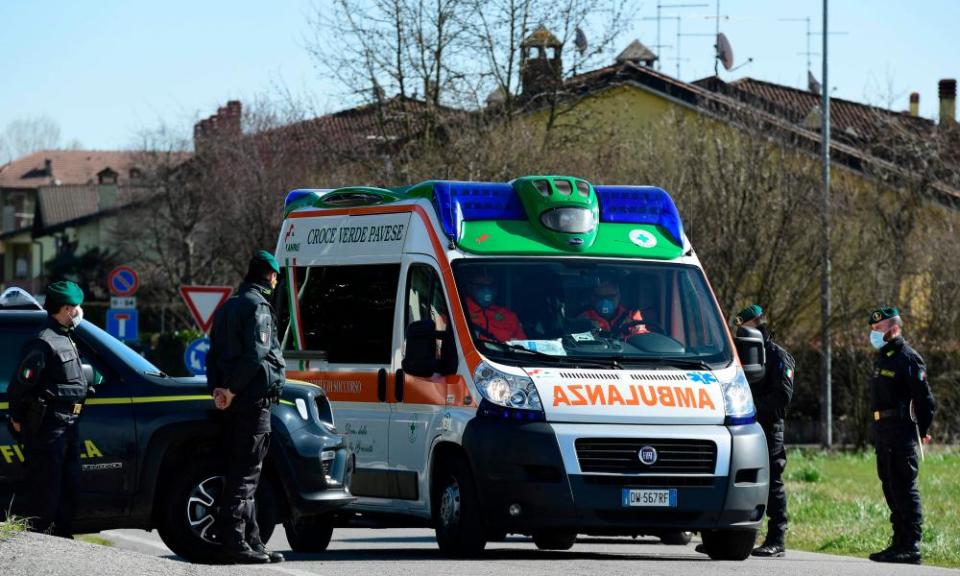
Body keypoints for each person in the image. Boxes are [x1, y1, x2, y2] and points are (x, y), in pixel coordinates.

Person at [206, 250, 286, 564]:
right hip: (251, 401)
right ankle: (235, 541)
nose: (277, 281)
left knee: (242, 470)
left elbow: (212, 355)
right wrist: (233, 389)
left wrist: (219, 391)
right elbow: (256, 355)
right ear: (269, 275)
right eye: (276, 276)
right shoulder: (258, 307)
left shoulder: (228, 307)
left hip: (233, 402)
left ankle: (253, 541)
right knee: (246, 473)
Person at [7, 280, 91, 537]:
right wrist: (18, 417)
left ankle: (63, 540)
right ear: (66, 309)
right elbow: (19, 385)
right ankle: (44, 546)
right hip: (48, 429)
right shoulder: (44, 342)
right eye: (76, 307)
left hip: (68, 427)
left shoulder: (66, 338)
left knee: (69, 490)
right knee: (46, 494)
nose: (78, 312)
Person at [866, 306, 935, 565]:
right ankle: (898, 543)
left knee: (905, 490)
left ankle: (911, 545)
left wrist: (923, 430)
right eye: (872, 329)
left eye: (878, 328)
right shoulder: (884, 358)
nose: (873, 333)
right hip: (883, 434)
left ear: (894, 328)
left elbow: (925, 400)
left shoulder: (908, 358)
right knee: (891, 489)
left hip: (901, 433)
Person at [735, 304, 794, 557]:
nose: (740, 334)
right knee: (745, 480)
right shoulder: (741, 356)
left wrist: (752, 406)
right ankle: (736, 538)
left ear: (757, 324)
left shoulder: (778, 356)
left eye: (744, 328)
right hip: (747, 425)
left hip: (769, 427)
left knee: (772, 483)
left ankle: (776, 538)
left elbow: (783, 397)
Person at [464, 271, 526, 342]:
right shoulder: (460, 310)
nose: (486, 290)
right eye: (481, 286)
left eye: (490, 286)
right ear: (470, 287)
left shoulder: (508, 315)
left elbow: (523, 345)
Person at [579, 279, 647, 337]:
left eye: (610, 297)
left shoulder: (632, 315)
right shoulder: (584, 318)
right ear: (593, 298)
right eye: (600, 297)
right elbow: (576, 341)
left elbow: (642, 339)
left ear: (618, 296)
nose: (605, 301)